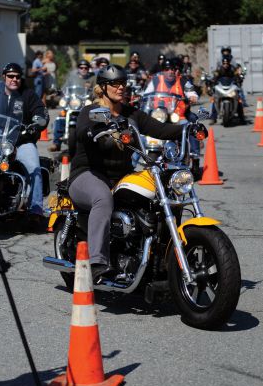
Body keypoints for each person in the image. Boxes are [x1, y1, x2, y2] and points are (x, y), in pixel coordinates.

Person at [68, 64, 184, 282]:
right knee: (103, 198)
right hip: (88, 173)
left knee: (161, 195)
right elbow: (83, 132)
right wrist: (96, 131)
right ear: (102, 87)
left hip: (121, 175)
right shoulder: (90, 112)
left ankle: (163, 259)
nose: (121, 87)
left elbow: (160, 129)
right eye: (115, 83)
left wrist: (188, 126)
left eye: (123, 83)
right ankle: (97, 262)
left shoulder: (132, 114)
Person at [0, 63, 49, 229]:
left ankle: (35, 210)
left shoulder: (28, 95)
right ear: (4, 77)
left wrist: (38, 120)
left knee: (34, 168)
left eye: (17, 76)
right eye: (10, 76)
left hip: (22, 141)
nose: (14, 79)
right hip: (0, 141)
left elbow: (40, 111)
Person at [144, 57, 201, 177]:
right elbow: (146, 94)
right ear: (163, 70)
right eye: (166, 69)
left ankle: (193, 156)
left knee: (189, 128)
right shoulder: (155, 80)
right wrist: (140, 97)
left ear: (176, 71)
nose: (170, 71)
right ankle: (132, 165)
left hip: (177, 117)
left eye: (172, 69)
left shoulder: (183, 81)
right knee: (140, 132)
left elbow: (192, 92)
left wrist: (192, 96)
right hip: (158, 116)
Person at [48, 59, 94, 152]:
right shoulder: (72, 78)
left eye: (86, 68)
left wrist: (93, 95)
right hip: (73, 104)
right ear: (78, 68)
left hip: (85, 105)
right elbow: (64, 89)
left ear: (89, 69)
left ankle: (91, 142)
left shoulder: (93, 78)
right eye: (81, 67)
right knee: (60, 118)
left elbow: (97, 90)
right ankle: (56, 143)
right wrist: (59, 92)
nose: (83, 69)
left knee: (92, 120)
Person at [209, 55, 246, 125]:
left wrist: (239, 79)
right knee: (214, 100)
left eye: (227, 63)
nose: (225, 65)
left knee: (239, 100)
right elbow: (215, 76)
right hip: (221, 87)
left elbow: (237, 76)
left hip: (231, 87)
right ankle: (213, 118)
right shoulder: (219, 69)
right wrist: (213, 81)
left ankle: (241, 118)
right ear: (222, 63)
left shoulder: (232, 69)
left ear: (229, 63)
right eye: (224, 63)